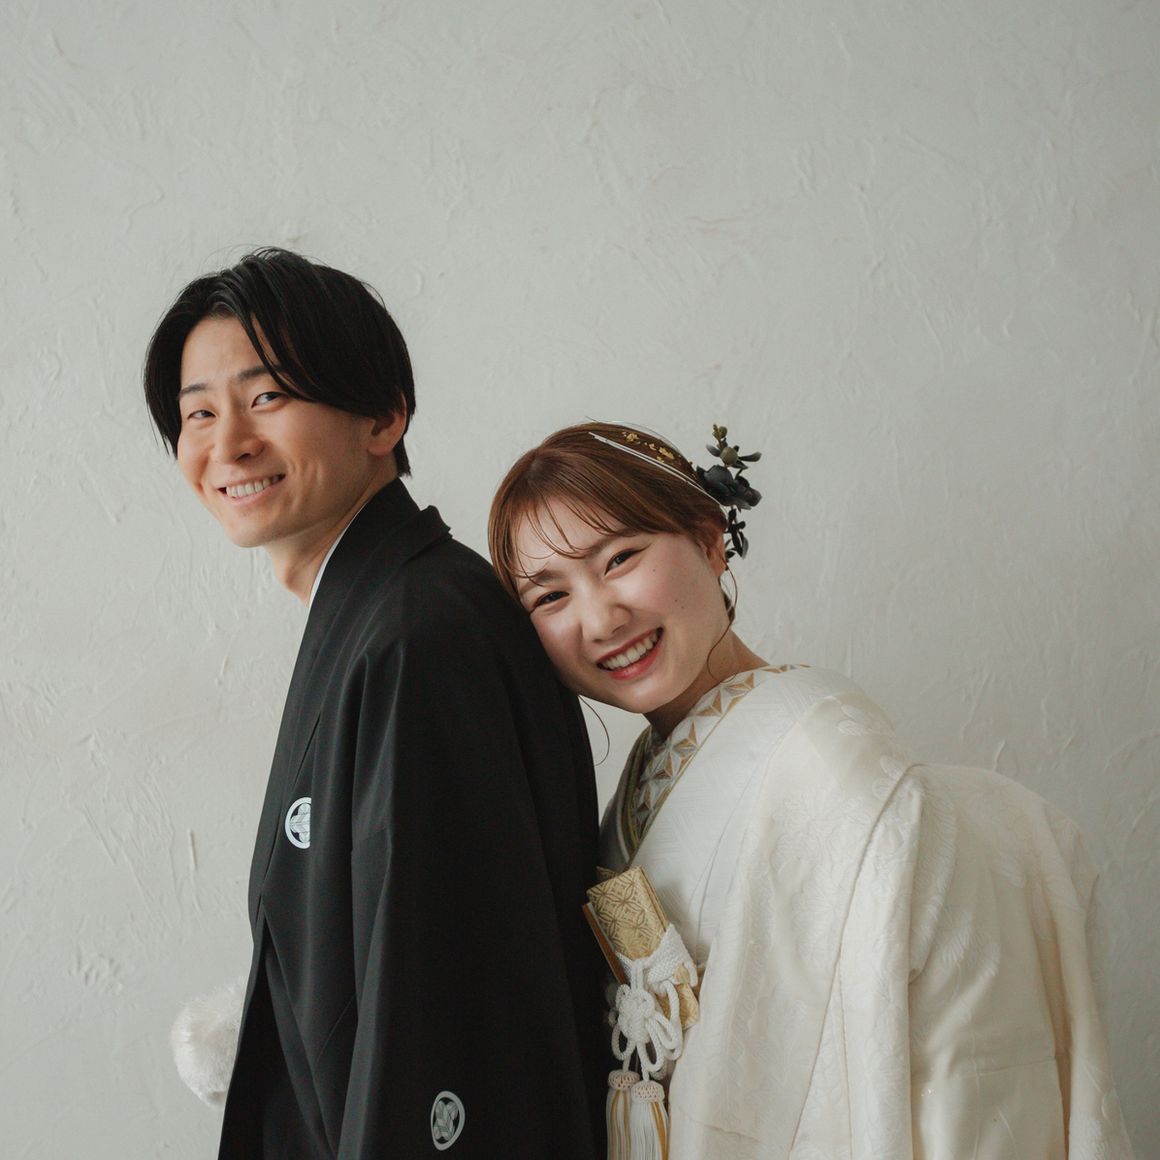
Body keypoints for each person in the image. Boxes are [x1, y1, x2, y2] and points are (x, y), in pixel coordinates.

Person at [488, 421, 1135, 1159]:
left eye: (621, 558)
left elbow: (934, 1077)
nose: (601, 619)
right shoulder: (647, 776)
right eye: (550, 596)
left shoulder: (830, 769)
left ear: (709, 540)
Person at [143, 249, 606, 1158]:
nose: (228, 443)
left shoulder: (414, 638)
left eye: (267, 397)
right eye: (199, 413)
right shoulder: (382, 612)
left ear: (383, 417)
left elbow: (434, 1016)